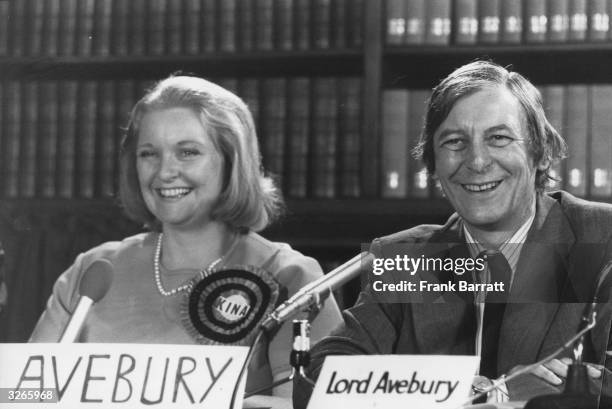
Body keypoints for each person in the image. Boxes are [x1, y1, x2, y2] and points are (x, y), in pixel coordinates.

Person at [293, 60, 612, 407]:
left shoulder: (600, 239)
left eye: (499, 138)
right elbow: (320, 377)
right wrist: (486, 392)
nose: (476, 161)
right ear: (433, 163)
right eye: (455, 142)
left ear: (542, 153)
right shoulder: (407, 258)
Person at [30, 75, 342, 406]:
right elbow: (23, 395)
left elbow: (316, 405)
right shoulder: (92, 271)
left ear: (231, 161)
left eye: (188, 152)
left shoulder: (291, 278)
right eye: (148, 154)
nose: (165, 171)